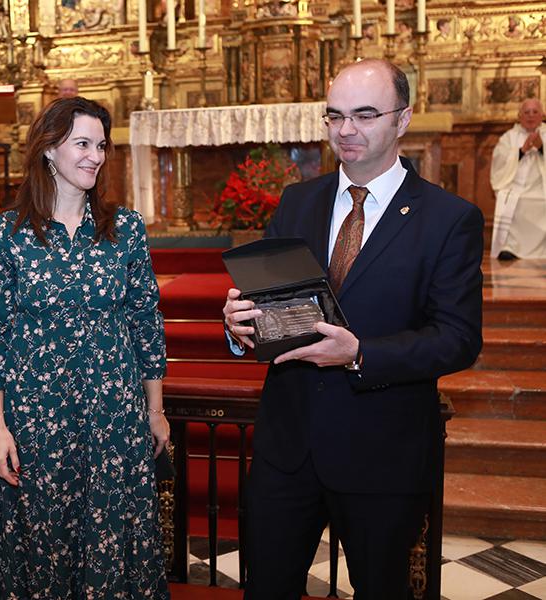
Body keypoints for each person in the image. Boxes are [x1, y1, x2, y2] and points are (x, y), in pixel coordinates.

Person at [222, 59, 483, 599]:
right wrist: (240, 325)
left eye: (364, 115)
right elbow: (271, 307)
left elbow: (458, 338)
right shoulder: (298, 201)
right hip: (287, 448)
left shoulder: (447, 218)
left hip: (381, 454)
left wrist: (361, 354)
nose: (346, 131)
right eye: (334, 116)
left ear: (403, 119)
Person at [0, 97, 170, 598]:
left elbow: (145, 321)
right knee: (45, 540)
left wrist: (155, 409)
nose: (95, 155)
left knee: (113, 538)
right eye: (82, 143)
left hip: (113, 412)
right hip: (38, 416)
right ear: (48, 150)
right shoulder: (8, 232)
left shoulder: (125, 228)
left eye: (100, 145)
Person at [490, 98, 546, 259]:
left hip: (541, 188)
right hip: (515, 188)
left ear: (542, 115)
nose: (530, 116)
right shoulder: (509, 137)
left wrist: (542, 148)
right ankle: (511, 248)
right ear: (519, 116)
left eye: (535, 112)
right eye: (526, 112)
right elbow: (499, 163)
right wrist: (521, 151)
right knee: (513, 200)